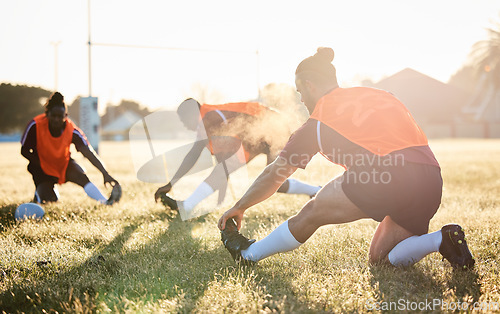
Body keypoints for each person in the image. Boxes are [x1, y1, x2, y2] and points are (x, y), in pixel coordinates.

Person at [218, 47, 474, 269]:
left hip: (384, 174)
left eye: (299, 91)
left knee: (312, 212)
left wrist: (239, 206)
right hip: (429, 177)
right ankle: (442, 240)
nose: (301, 98)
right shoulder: (382, 95)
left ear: (309, 85)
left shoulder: (318, 122)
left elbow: (275, 174)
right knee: (381, 260)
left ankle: (249, 255)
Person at [154, 98, 321, 216]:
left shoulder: (208, 117)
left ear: (192, 114)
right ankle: (187, 206)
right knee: (229, 172)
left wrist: (171, 183)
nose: (183, 124)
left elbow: (193, 154)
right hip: (259, 134)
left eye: (183, 120)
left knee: (274, 180)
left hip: (273, 128)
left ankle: (316, 191)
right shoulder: (206, 118)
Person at [20, 92, 121, 205]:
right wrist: (42, 164)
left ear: (66, 116)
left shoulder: (72, 131)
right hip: (41, 168)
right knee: (49, 200)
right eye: (54, 116)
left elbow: (88, 152)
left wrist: (105, 173)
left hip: (63, 164)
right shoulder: (35, 125)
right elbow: (24, 151)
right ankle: (40, 194)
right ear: (47, 114)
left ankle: (106, 202)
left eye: (60, 116)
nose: (57, 119)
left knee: (81, 177)